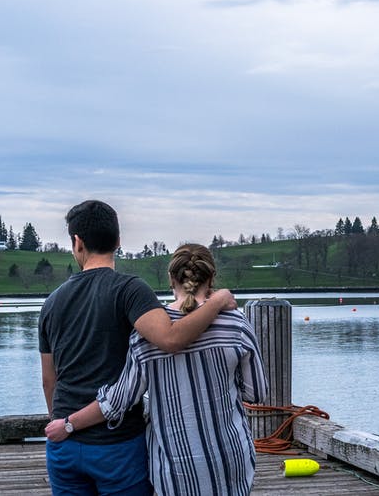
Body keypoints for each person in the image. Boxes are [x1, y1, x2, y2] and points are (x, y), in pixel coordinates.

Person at [39, 202, 238, 496]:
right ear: (118, 241)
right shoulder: (129, 290)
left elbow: (48, 379)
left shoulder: (51, 303)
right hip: (117, 445)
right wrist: (219, 301)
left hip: (64, 443)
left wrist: (61, 425)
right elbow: (170, 338)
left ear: (77, 242)